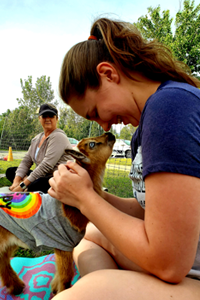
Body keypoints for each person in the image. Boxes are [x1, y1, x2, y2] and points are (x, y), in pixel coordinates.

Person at [48, 18, 200, 300]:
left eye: (94, 111)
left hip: (181, 266)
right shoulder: (149, 121)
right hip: (185, 262)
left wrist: (86, 200)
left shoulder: (169, 109)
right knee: (88, 240)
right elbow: (156, 212)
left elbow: (169, 264)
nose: (104, 126)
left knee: (69, 297)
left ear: (108, 74)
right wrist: (95, 195)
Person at [6, 103, 73, 193]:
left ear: (56, 119)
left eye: (51, 116)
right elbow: (26, 161)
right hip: (42, 176)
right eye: (44, 116)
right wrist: (16, 181)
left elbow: (46, 166)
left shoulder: (58, 137)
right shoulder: (36, 139)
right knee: (11, 171)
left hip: (57, 178)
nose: (48, 119)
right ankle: (26, 184)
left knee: (36, 184)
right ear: (39, 118)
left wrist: (22, 185)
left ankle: (27, 186)